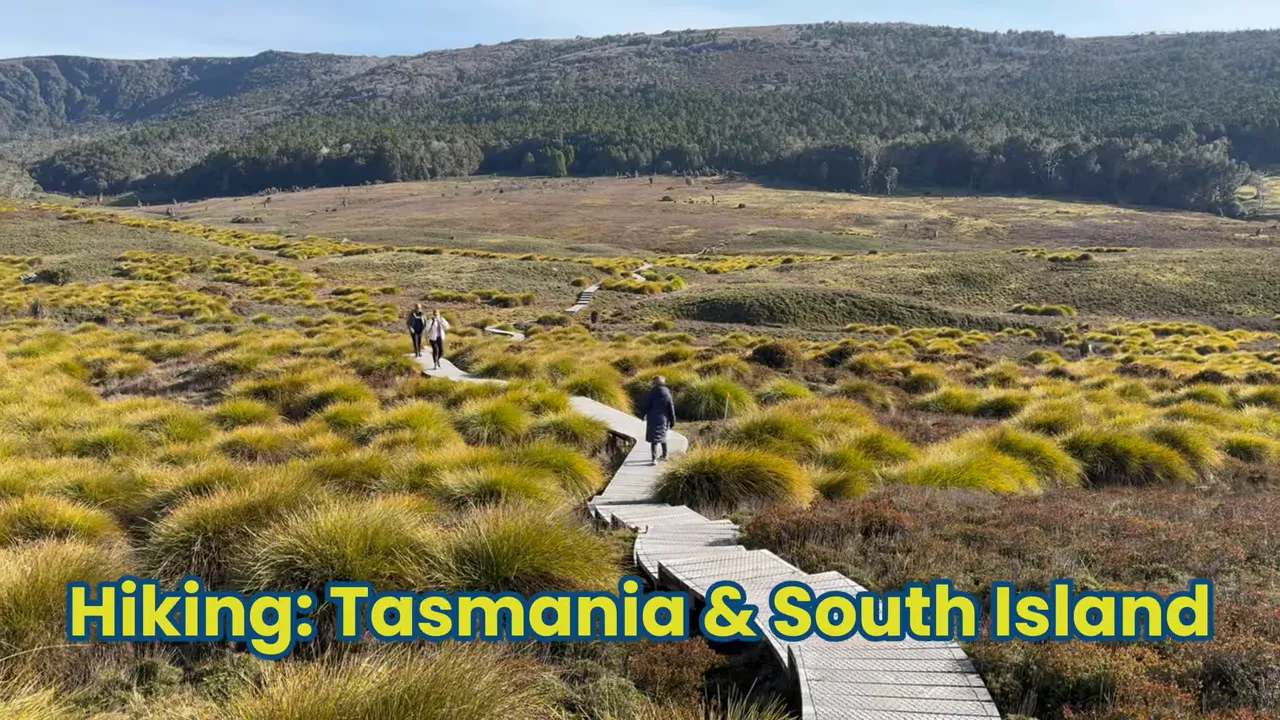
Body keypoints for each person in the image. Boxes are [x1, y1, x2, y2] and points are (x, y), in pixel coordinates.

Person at [641, 376, 676, 466]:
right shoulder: (667, 393)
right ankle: (665, 455)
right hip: (664, 418)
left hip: (652, 417)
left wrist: (642, 414)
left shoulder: (651, 393)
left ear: (654, 383)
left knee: (654, 439)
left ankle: (654, 459)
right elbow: (671, 408)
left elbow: (646, 405)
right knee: (663, 436)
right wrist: (673, 421)